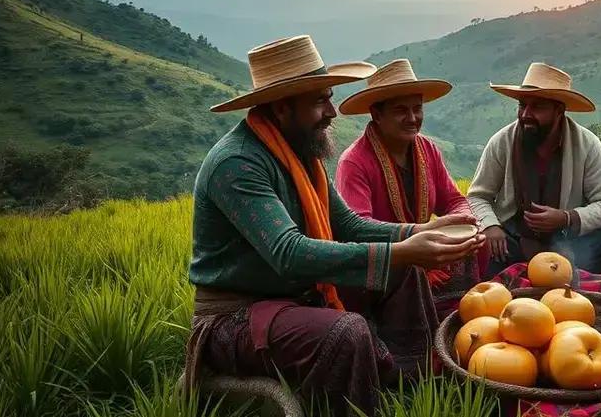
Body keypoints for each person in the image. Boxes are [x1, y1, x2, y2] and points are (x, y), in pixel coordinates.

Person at [184, 36, 483, 415]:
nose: (332, 111)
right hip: (237, 317)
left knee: (405, 271)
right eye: (320, 100)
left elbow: (347, 225)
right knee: (347, 333)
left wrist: (417, 234)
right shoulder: (239, 164)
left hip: (297, 295)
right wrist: (401, 249)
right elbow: (288, 253)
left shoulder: (300, 153)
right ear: (281, 107)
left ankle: (409, 384)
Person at [335, 58, 487, 318]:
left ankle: (460, 312)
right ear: (377, 114)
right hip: (390, 258)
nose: (413, 118)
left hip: (426, 248)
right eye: (401, 110)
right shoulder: (354, 162)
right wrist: (413, 241)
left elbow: (452, 199)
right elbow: (357, 229)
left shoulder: (427, 149)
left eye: (417, 108)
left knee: (476, 244)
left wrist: (465, 222)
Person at [467, 62, 601, 275]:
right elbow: (478, 197)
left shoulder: (587, 144)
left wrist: (566, 218)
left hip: (571, 238)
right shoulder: (502, 141)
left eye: (537, 107)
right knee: (479, 246)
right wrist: (491, 226)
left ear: (559, 111)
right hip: (514, 238)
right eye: (522, 105)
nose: (526, 114)